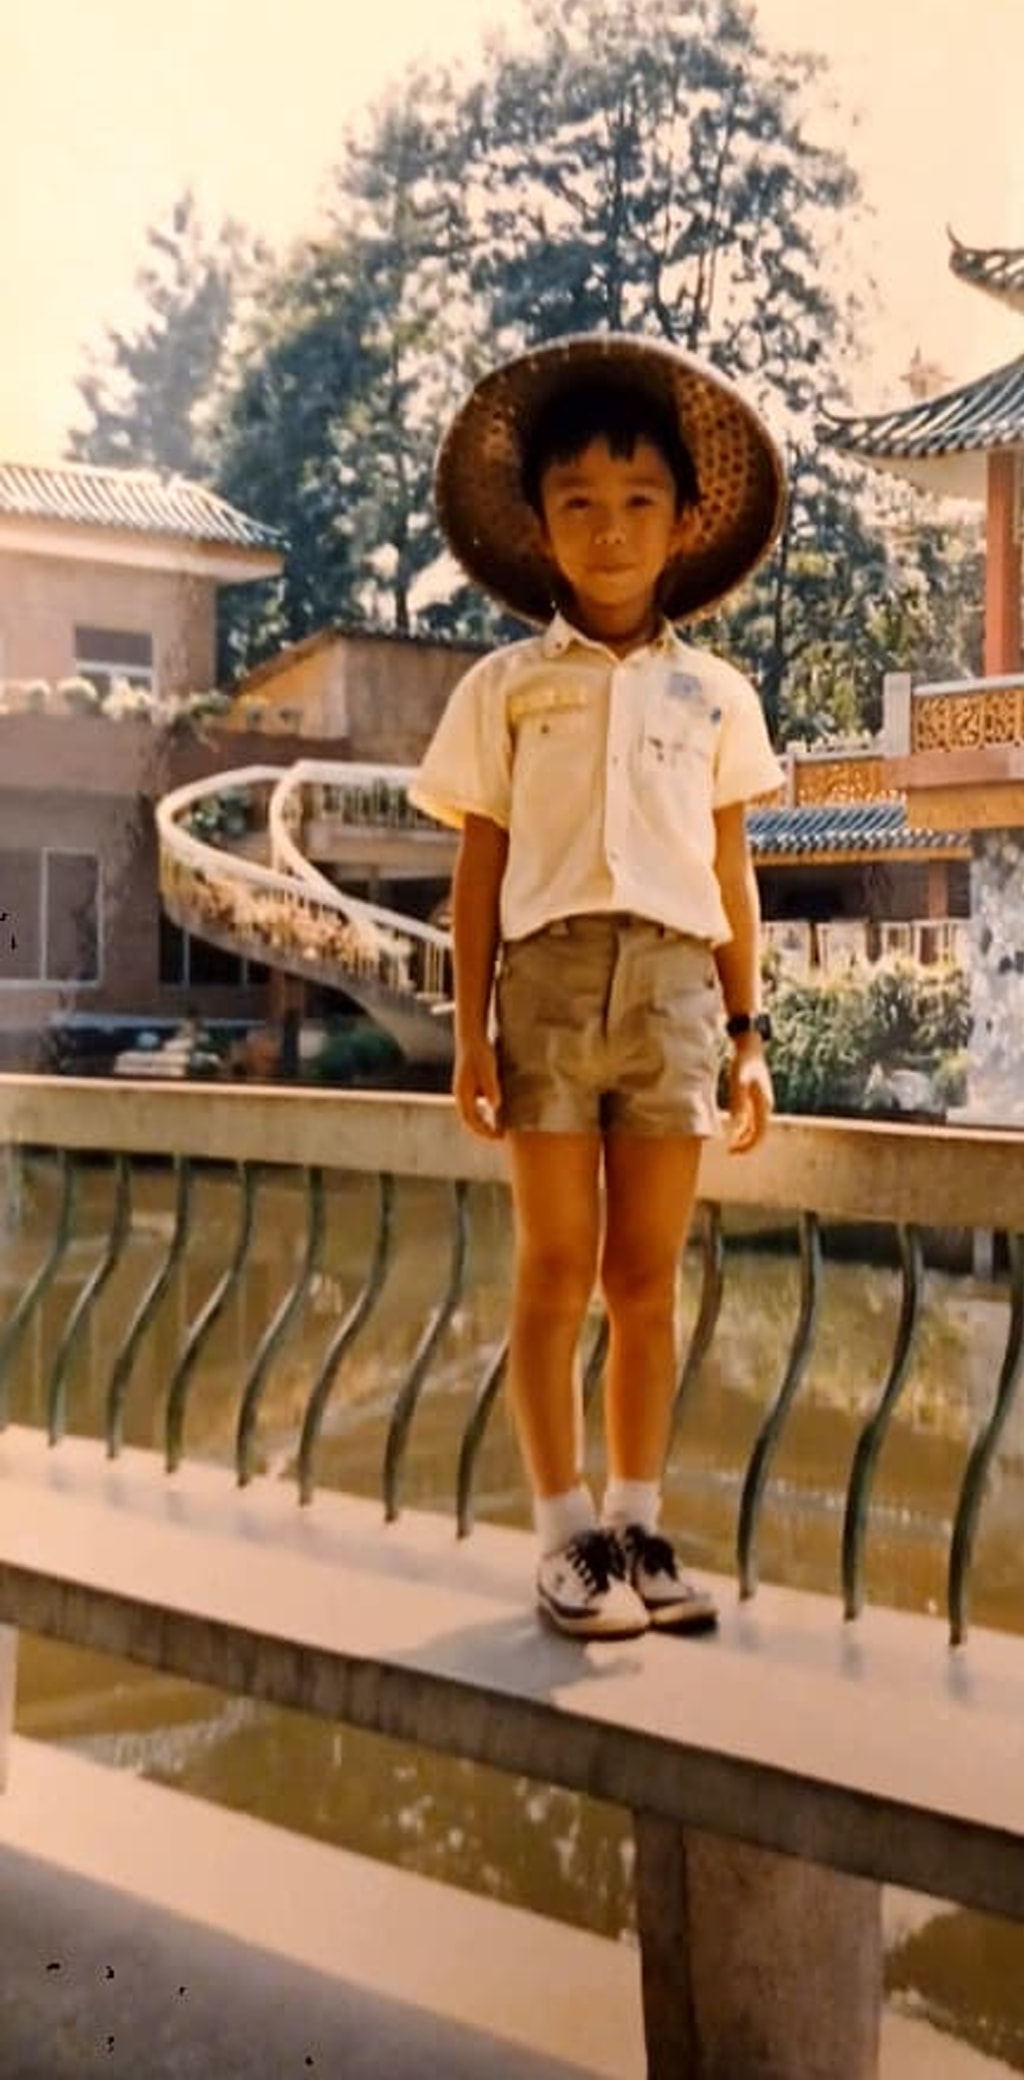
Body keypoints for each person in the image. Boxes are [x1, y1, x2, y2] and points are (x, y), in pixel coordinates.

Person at [411, 333, 786, 1641]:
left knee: (646, 1280)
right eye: (579, 505)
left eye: (637, 505)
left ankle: (637, 1519)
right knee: (557, 1268)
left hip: (681, 999)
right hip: (553, 991)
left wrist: (747, 1037)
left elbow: (732, 875)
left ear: (683, 523)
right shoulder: (506, 689)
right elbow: (477, 874)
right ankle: (565, 1537)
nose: (610, 532)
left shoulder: (717, 694)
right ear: (541, 526)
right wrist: (471, 1037)